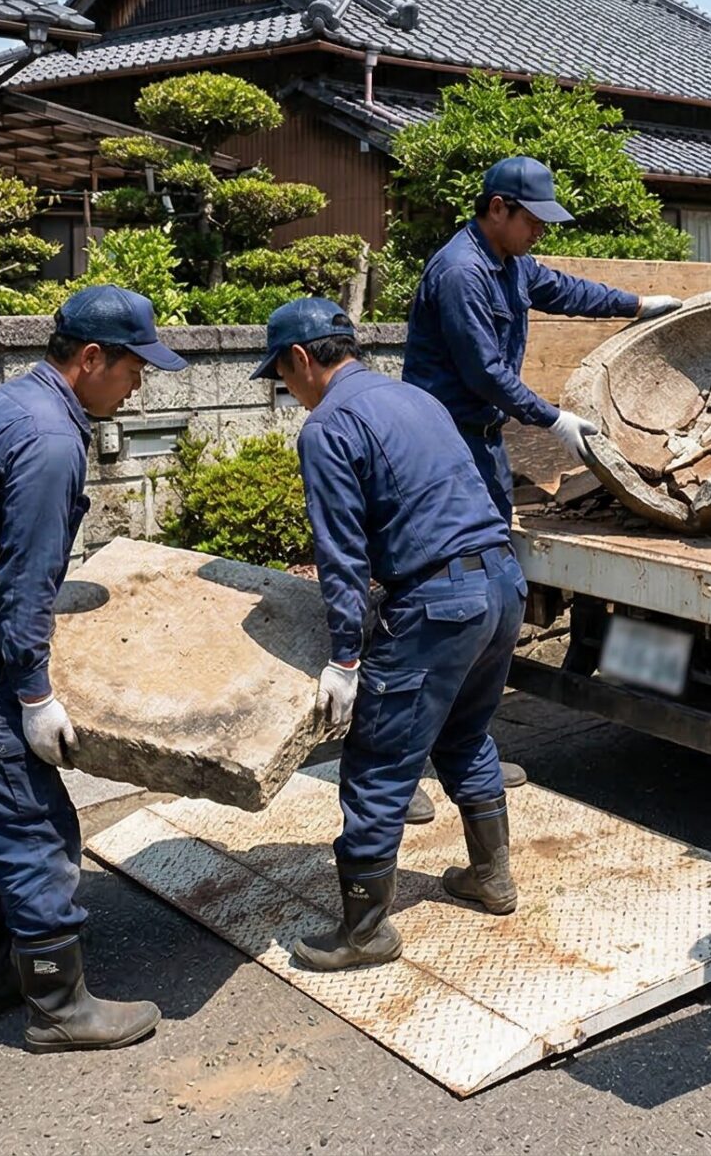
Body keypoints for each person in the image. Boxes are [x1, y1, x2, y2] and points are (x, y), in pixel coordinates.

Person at [0, 284, 183, 1053]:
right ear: (91, 358)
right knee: (35, 821)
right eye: (133, 367)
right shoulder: (51, 436)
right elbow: (25, 584)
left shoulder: (13, 404)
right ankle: (58, 1003)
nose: (138, 383)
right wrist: (36, 692)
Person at [257, 298, 530, 971]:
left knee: (378, 759)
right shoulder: (415, 400)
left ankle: (366, 931)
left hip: (437, 603)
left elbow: (342, 554)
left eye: (282, 377)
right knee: (464, 735)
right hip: (502, 583)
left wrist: (346, 657)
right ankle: (491, 878)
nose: (286, 392)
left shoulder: (329, 426)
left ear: (301, 359)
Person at [402, 154, 681, 522]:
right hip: (446, 439)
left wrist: (639, 305)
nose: (539, 233)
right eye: (533, 221)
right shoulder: (462, 273)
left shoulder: (513, 262)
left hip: (485, 435)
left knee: (495, 540)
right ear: (498, 208)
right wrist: (553, 419)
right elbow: (484, 371)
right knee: (460, 552)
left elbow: (567, 291)